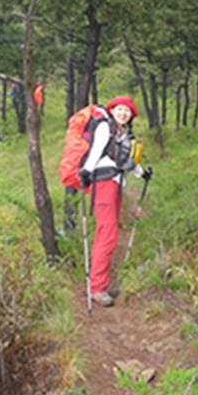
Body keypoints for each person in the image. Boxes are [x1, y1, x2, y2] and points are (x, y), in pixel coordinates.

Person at [79, 95, 153, 308]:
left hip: (115, 185)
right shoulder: (105, 127)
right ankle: (98, 289)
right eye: (120, 109)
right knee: (108, 234)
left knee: (106, 233)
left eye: (127, 111)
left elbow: (124, 160)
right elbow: (96, 151)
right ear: (112, 110)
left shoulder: (123, 133)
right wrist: (86, 171)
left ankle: (100, 283)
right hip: (104, 184)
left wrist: (141, 174)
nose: (123, 113)